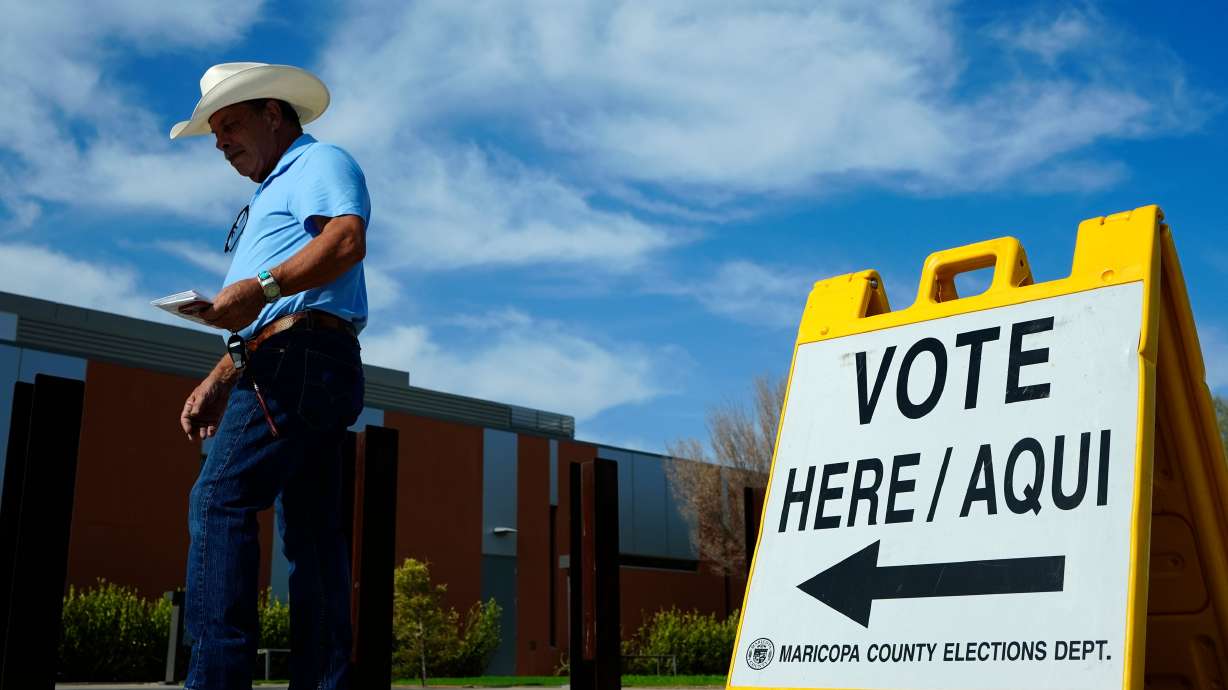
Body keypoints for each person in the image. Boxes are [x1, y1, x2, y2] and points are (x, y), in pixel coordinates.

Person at [171, 62, 370, 690]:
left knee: (220, 498)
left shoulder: (319, 163)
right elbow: (271, 313)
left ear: (274, 114)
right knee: (311, 533)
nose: (222, 141)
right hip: (297, 357)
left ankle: (217, 681)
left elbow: (345, 241)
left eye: (230, 124)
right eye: (215, 133)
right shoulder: (269, 194)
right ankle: (324, 682)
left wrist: (256, 287)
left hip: (302, 360)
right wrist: (219, 377)